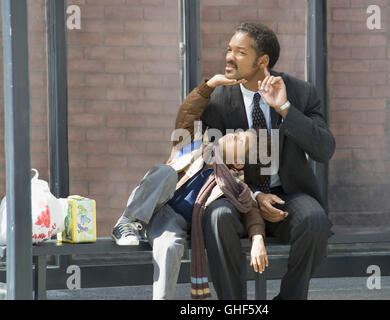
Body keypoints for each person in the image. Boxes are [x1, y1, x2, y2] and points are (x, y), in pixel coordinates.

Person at [199, 22, 336, 300]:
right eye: (228, 50)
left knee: (315, 220)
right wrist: (256, 195)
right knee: (217, 217)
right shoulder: (216, 98)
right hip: (235, 196)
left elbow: (324, 149)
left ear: (262, 61)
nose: (228, 57)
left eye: (239, 52)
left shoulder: (300, 92)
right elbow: (209, 161)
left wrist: (285, 108)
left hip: (287, 195)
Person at [111, 75, 269, 300]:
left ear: (239, 162)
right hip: (157, 201)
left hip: (174, 221)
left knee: (171, 247)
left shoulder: (235, 185)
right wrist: (210, 85)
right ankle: (128, 221)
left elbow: (252, 211)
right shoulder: (195, 144)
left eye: (241, 140)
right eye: (237, 133)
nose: (235, 134)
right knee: (165, 172)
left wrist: (258, 240)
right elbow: (188, 113)